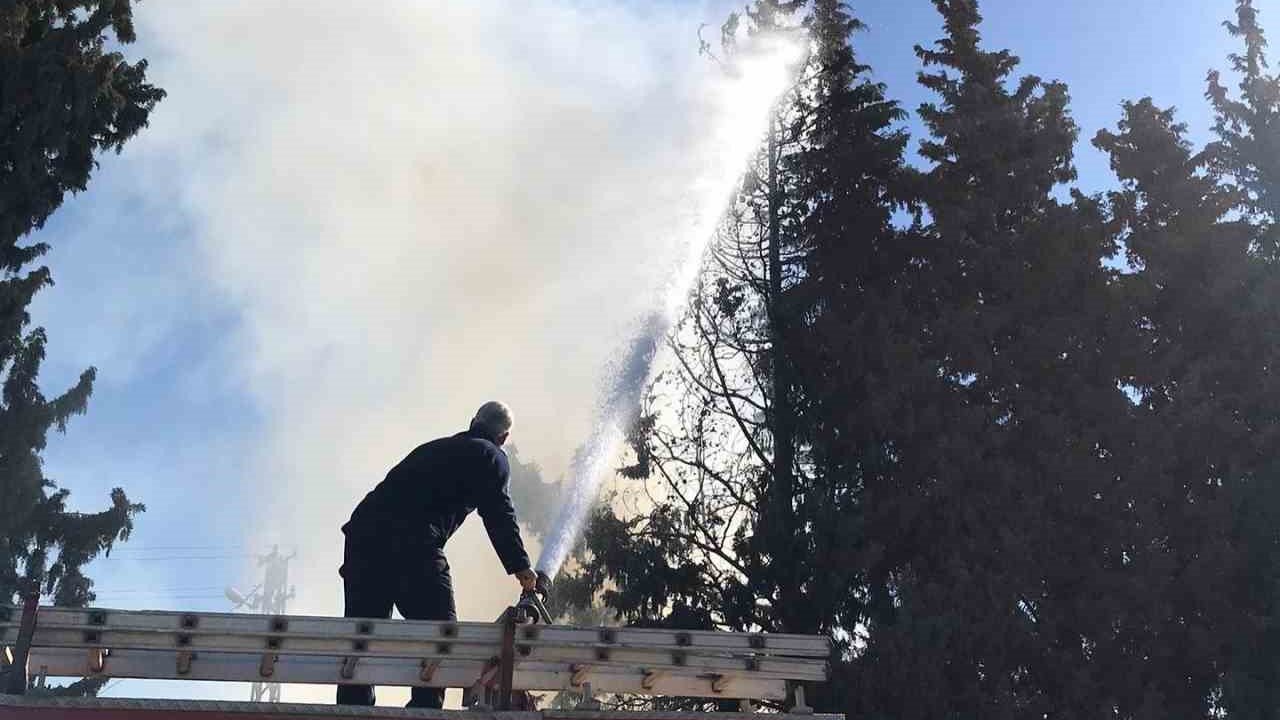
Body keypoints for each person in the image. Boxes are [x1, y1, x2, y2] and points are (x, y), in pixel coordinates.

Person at [336, 401, 538, 709]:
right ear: (504, 437)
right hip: (413, 543)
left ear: (473, 420)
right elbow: (498, 512)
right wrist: (522, 568)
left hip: (363, 539)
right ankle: (425, 709)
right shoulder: (491, 456)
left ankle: (352, 712)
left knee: (362, 635)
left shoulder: (433, 448)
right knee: (443, 634)